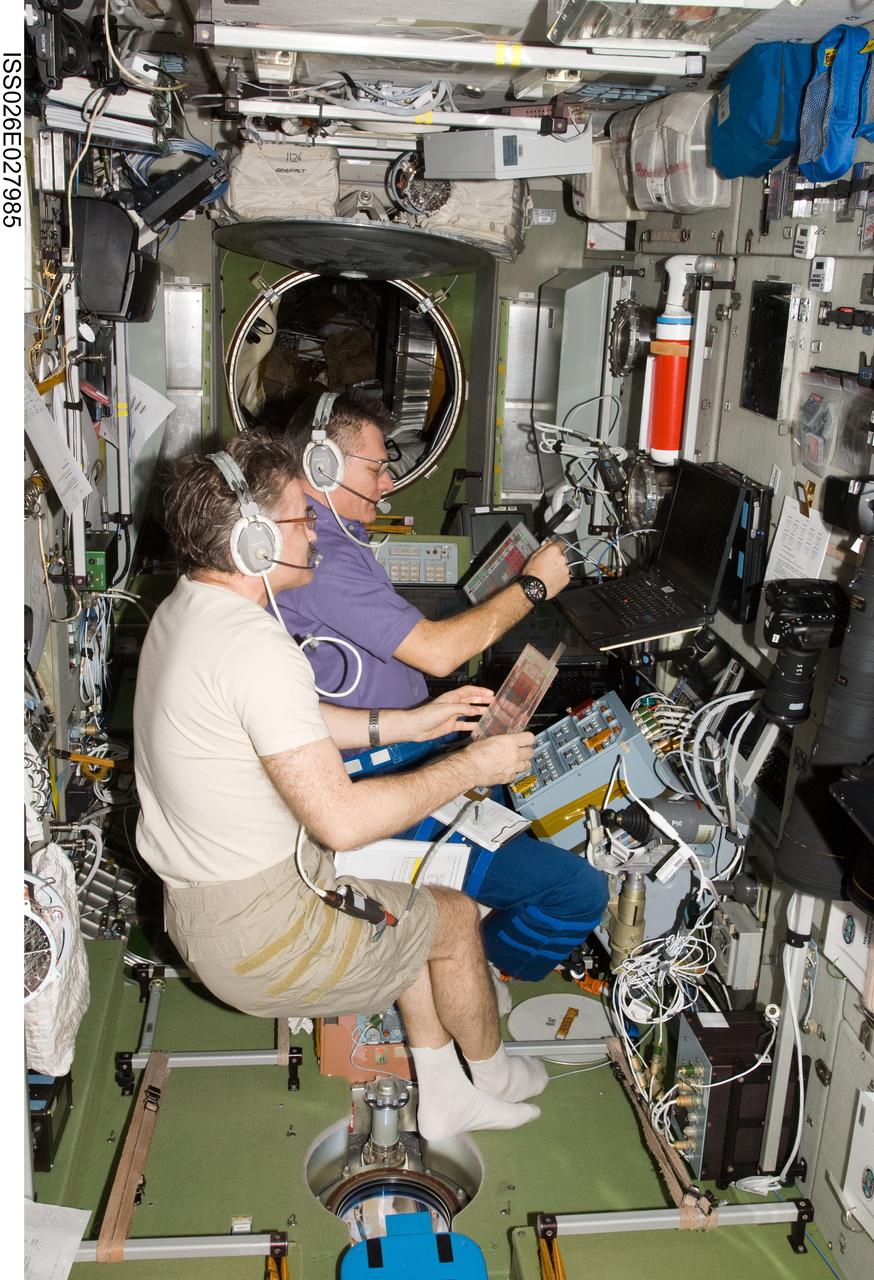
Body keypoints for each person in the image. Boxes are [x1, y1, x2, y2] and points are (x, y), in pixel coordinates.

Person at [133, 431, 550, 1141]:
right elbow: (343, 822)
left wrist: (407, 724)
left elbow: (291, 722)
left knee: (401, 914)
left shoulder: (187, 610)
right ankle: (494, 1072)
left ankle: (446, 1094)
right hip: (260, 932)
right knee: (450, 920)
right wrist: (472, 766)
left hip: (205, 910)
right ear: (256, 543)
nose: (314, 528)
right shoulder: (255, 648)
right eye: (301, 516)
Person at [271, 393, 609, 985]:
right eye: (375, 468)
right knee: (581, 891)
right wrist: (532, 588)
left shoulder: (331, 535)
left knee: (517, 803)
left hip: (408, 741)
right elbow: (440, 651)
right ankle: (480, 963)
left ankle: (464, 928)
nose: (388, 483)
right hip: (381, 776)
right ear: (323, 465)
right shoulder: (322, 556)